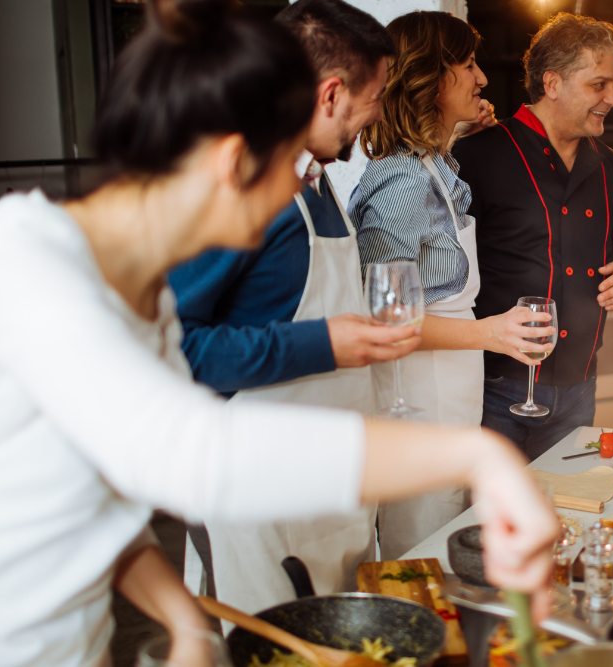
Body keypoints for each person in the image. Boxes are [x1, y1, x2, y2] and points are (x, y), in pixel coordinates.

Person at [0, 2, 558, 663]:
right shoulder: (20, 263)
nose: (300, 190)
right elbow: (198, 454)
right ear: (235, 162)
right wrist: (478, 457)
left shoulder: (144, 304)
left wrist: (184, 621)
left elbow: (97, 497)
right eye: (290, 162)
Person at [166, 0, 411, 617]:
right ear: (330, 95)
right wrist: (325, 343)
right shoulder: (238, 182)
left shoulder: (315, 177)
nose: (379, 113)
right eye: (376, 95)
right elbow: (175, 348)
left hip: (325, 491)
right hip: (253, 502)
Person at [349, 11, 555, 559]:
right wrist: (493, 333)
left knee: (444, 525)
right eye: (467, 65)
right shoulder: (402, 181)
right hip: (417, 395)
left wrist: (456, 130)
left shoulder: (432, 165)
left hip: (450, 387)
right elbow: (385, 320)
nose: (482, 78)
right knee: (418, 544)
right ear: (432, 79)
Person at [454, 13, 613, 461]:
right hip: (494, 390)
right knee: (490, 523)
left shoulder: (612, 166)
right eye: (599, 85)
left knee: (565, 518)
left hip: (581, 388)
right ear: (553, 82)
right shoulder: (477, 154)